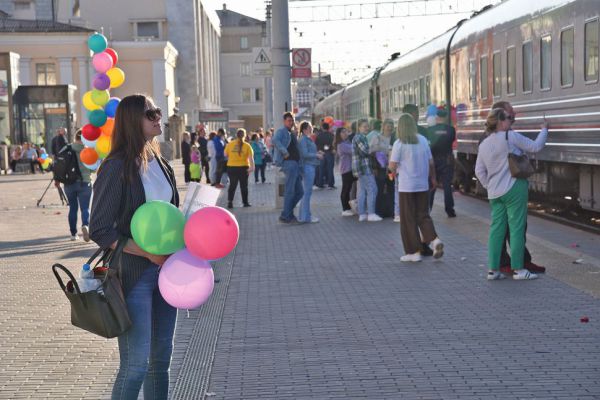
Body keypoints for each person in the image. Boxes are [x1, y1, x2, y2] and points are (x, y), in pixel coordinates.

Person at [89, 95, 179, 399]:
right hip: (133, 276)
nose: (158, 118)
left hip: (167, 275)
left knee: (161, 362)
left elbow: (170, 214)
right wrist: (147, 253)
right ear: (131, 121)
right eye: (150, 113)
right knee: (136, 364)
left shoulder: (162, 163)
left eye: (157, 112)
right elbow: (100, 228)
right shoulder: (116, 166)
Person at [475, 108, 547, 280]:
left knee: (496, 230)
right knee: (516, 228)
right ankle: (519, 270)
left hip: (495, 193)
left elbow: (478, 170)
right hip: (514, 188)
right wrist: (544, 129)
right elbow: (536, 147)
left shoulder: (484, 143)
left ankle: (493, 270)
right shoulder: (510, 137)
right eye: (509, 118)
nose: (511, 121)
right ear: (500, 121)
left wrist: (489, 185)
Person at [388, 113, 444, 262]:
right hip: (422, 185)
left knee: (408, 219)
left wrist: (392, 171)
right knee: (423, 215)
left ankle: (413, 252)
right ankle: (434, 240)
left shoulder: (399, 144)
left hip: (406, 186)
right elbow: (431, 163)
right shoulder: (423, 140)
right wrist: (433, 178)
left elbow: (392, 166)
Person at [55, 130, 91, 241]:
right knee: (85, 208)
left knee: (73, 208)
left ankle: (73, 234)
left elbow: (58, 163)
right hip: (85, 182)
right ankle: (86, 225)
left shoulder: (67, 148)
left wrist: (57, 180)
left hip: (69, 183)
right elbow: (93, 168)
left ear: (75, 137)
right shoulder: (88, 150)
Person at [272, 112, 304, 224]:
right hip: (288, 163)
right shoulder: (281, 131)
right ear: (284, 121)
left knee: (300, 192)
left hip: (296, 164)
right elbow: (275, 140)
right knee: (290, 191)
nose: (291, 122)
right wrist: (284, 152)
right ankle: (287, 216)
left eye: (293, 120)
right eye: (289, 120)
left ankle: (287, 214)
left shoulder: (292, 133)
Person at [426, 108, 457, 218]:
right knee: (447, 185)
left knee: (432, 185)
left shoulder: (429, 130)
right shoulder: (451, 130)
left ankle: (428, 209)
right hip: (447, 160)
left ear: (437, 117)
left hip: (433, 161)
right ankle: (450, 210)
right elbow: (452, 140)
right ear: (445, 118)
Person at [352, 118, 382, 222]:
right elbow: (365, 151)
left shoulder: (360, 137)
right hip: (364, 168)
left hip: (360, 168)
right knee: (372, 189)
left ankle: (362, 214)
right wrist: (375, 147)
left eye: (367, 126)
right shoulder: (359, 137)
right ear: (359, 127)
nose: (367, 128)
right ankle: (371, 213)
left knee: (362, 191)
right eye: (364, 126)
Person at [298, 121, 323, 223]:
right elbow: (304, 154)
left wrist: (317, 153)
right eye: (309, 127)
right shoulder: (304, 139)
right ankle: (306, 217)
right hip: (308, 167)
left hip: (309, 166)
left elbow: (307, 153)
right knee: (307, 193)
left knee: (306, 193)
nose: (311, 128)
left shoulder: (305, 139)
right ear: (304, 129)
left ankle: (304, 215)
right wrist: (316, 155)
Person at [224, 129, 254, 209]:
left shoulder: (230, 144)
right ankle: (245, 202)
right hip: (243, 168)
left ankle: (230, 202)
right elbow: (251, 158)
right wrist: (252, 167)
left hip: (231, 167)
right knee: (244, 186)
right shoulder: (247, 145)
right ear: (244, 135)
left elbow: (225, 154)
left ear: (236, 135)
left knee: (232, 185)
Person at [336, 126, 356, 217]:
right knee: (346, 189)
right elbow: (353, 150)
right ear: (339, 135)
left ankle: (349, 207)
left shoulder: (347, 142)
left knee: (350, 188)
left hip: (351, 169)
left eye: (346, 132)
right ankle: (345, 209)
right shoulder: (341, 145)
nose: (345, 133)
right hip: (346, 169)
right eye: (343, 132)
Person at [315, 122, 335, 189]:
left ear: (322, 128)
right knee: (330, 169)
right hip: (330, 153)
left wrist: (320, 151)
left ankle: (320, 184)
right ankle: (330, 184)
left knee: (321, 169)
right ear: (328, 128)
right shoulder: (332, 135)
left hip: (321, 154)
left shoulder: (319, 136)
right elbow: (334, 145)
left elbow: (316, 145)